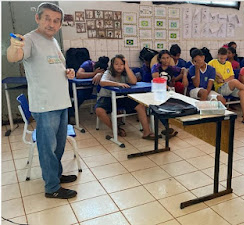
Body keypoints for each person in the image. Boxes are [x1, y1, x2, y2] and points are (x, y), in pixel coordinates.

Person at [6, 2, 78, 199]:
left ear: (60, 24)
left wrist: (67, 72)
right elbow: (14, 57)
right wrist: (14, 47)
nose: (51, 24)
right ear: (37, 18)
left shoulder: (53, 41)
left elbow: (53, 67)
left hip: (61, 102)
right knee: (48, 149)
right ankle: (52, 188)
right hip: (46, 106)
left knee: (59, 146)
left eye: (56, 21)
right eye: (47, 18)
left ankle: (55, 175)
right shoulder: (29, 39)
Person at [95, 55, 156, 138]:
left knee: (140, 106)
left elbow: (134, 81)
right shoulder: (109, 72)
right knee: (99, 110)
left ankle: (147, 132)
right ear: (112, 65)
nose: (119, 66)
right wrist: (118, 84)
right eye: (116, 64)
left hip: (121, 97)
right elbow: (102, 82)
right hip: (107, 97)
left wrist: (127, 67)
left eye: (122, 64)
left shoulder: (126, 72)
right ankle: (116, 129)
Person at [209, 47, 244, 126]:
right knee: (234, 82)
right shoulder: (213, 62)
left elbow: (232, 77)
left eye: (224, 58)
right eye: (221, 58)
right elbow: (205, 68)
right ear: (218, 55)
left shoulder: (228, 64)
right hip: (220, 88)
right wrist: (215, 73)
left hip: (229, 85)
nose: (222, 60)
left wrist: (224, 80)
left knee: (242, 92)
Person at [68, 56, 109, 122]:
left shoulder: (104, 69)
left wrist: (100, 74)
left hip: (87, 88)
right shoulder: (87, 64)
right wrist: (94, 73)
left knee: (85, 94)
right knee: (80, 96)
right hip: (75, 87)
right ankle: (71, 114)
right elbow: (78, 75)